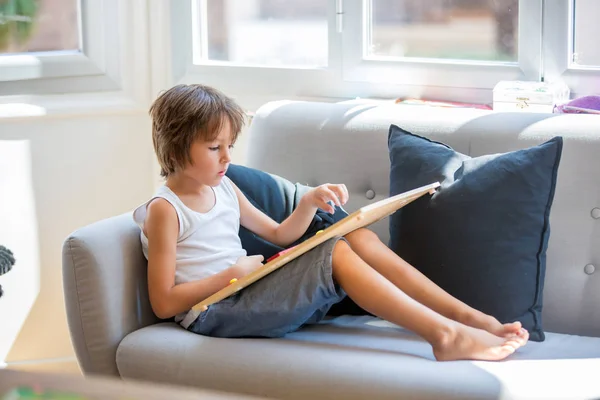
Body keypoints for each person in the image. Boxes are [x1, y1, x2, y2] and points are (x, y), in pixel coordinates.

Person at [133, 84, 529, 362]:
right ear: (176, 145)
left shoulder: (225, 188)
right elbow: (163, 302)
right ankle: (444, 336)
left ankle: (462, 318)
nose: (226, 158)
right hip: (212, 312)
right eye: (214, 147)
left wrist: (306, 204)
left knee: (346, 238)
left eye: (229, 146)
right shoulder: (165, 210)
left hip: (243, 290)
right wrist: (230, 276)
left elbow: (276, 234)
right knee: (335, 254)